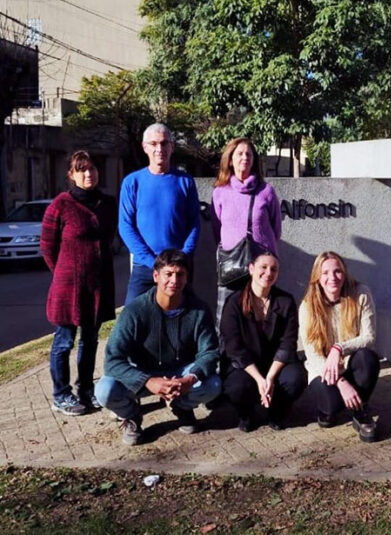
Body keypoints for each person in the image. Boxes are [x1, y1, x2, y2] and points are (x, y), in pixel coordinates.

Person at [95, 249, 221, 445]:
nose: (174, 280)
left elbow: (210, 352)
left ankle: (182, 406)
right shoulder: (134, 311)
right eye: (168, 274)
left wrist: (189, 379)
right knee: (104, 391)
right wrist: (147, 381)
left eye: (180, 274)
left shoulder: (199, 310)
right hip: (143, 373)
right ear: (156, 276)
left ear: (187, 278)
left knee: (213, 384)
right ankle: (131, 416)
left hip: (180, 373)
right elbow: (112, 360)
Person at [40, 151, 117, 416]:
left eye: (92, 168)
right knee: (64, 341)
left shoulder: (107, 203)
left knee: (90, 340)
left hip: (97, 285)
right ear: (71, 175)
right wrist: (65, 271)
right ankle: (61, 395)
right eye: (81, 169)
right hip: (68, 287)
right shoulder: (60, 205)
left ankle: (86, 389)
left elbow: (109, 239)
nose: (88, 174)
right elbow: (48, 247)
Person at [220, 252, 307, 431]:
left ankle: (277, 411)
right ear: (251, 269)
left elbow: (288, 343)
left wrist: (269, 378)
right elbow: (233, 347)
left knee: (296, 379)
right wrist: (260, 379)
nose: (268, 273)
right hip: (246, 365)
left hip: (275, 363)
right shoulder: (234, 302)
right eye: (263, 267)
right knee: (236, 387)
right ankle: (246, 413)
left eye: (274, 269)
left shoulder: (286, 301)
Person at [299, 251, 380, 442]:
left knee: (368, 358)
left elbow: (369, 337)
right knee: (332, 405)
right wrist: (341, 383)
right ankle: (329, 409)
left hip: (351, 364)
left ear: (344, 273)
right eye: (325, 273)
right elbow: (312, 356)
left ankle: (360, 410)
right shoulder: (307, 306)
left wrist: (339, 348)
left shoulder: (360, 294)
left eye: (337, 271)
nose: (332, 277)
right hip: (323, 370)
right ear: (317, 278)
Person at [119, 123, 201, 304]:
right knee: (132, 316)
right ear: (144, 147)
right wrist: (152, 262)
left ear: (172, 146)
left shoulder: (185, 181)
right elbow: (125, 226)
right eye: (154, 143)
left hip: (178, 266)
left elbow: (194, 222)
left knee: (185, 315)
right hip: (144, 266)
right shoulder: (132, 182)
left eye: (164, 143)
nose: (159, 149)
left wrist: (183, 256)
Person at [212, 137, 282, 329]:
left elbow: (276, 229)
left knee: (261, 319)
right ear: (230, 159)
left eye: (249, 154)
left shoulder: (266, 191)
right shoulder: (220, 192)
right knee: (227, 320)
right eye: (240, 154)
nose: (245, 158)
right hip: (231, 265)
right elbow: (217, 229)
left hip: (261, 267)